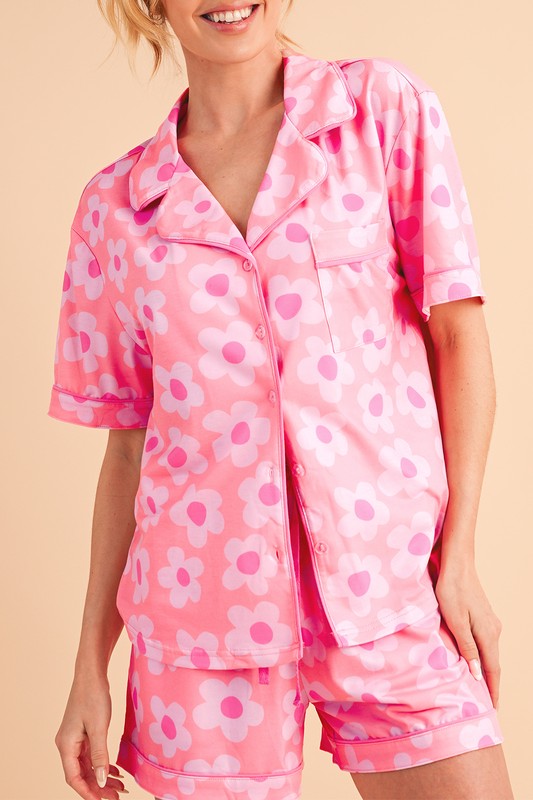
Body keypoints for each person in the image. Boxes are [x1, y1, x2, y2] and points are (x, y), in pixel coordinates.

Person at [49, 1, 515, 798]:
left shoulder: (376, 113)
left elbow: (458, 336)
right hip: (200, 625)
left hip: (387, 589)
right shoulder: (116, 207)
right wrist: (89, 667)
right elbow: (128, 448)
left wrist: (461, 559)